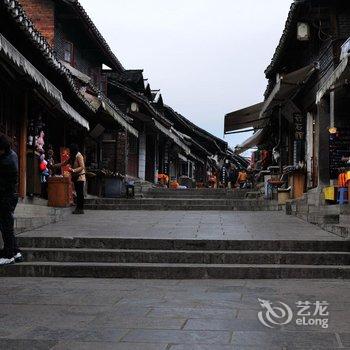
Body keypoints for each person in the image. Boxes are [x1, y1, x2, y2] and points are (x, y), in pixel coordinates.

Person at [0, 135, 23, 265]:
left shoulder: (6, 161)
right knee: (6, 226)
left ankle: (9, 255)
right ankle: (16, 251)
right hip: (11, 195)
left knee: (6, 226)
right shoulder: (12, 154)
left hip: (6, 197)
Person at [68, 144, 86, 214]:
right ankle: (78, 208)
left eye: (70, 150)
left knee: (80, 194)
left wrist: (73, 170)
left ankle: (80, 209)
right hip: (76, 177)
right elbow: (64, 163)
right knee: (78, 193)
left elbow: (82, 167)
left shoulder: (79, 156)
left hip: (80, 177)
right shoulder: (73, 156)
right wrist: (54, 166)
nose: (69, 152)